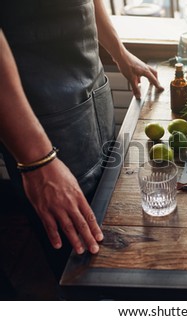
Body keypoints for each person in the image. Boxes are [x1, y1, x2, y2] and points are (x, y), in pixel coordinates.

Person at [0, 0, 164, 280]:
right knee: (77, 255)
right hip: (39, 116)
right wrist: (37, 160)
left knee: (107, 210)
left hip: (92, 87)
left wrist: (119, 52)